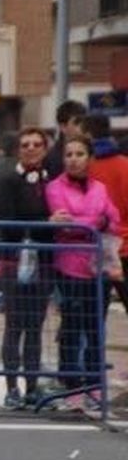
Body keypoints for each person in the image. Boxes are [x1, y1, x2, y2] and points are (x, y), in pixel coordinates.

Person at [46, 135, 122, 412]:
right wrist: (94, 221)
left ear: (90, 159)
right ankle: (71, 386)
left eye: (80, 154)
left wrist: (92, 222)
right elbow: (64, 223)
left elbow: (113, 220)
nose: (74, 159)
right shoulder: (54, 187)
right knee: (72, 328)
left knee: (95, 329)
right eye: (69, 154)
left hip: (98, 268)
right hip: (69, 267)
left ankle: (93, 384)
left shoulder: (100, 187)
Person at [0, 129, 55, 408]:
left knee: (35, 325)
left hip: (43, 260)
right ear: (18, 149)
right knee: (14, 324)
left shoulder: (51, 178)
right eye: (26, 144)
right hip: (14, 259)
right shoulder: (7, 180)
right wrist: (46, 220)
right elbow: (7, 222)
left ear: (45, 148)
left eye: (37, 144)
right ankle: (11, 388)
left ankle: (32, 386)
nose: (31, 149)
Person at [81, 114, 128, 313]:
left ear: (89, 135)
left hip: (94, 248)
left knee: (93, 315)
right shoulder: (125, 165)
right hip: (125, 246)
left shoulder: (85, 168)